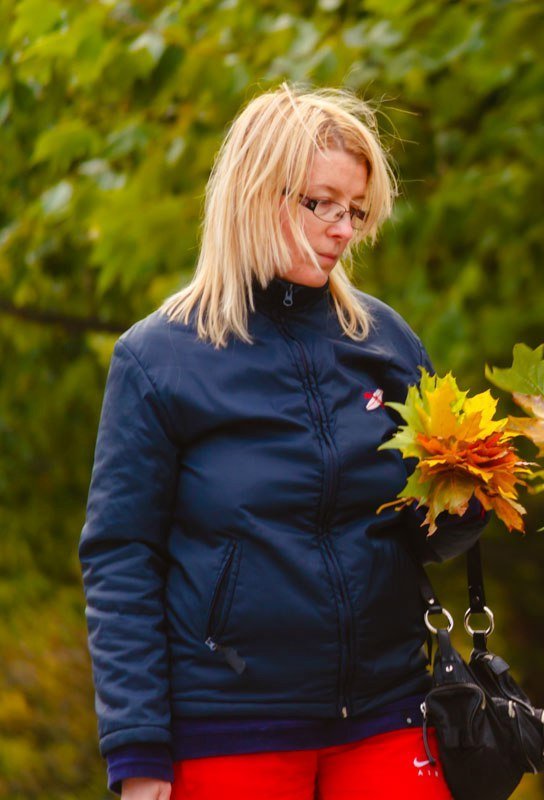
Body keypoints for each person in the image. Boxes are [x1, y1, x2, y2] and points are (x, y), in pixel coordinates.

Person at [79, 84, 487, 800]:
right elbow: (121, 559)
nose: (341, 228)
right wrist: (137, 754)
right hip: (230, 728)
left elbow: (420, 536)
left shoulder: (386, 345)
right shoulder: (158, 359)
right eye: (319, 202)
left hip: (388, 713)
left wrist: (466, 502)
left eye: (356, 211)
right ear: (254, 192)